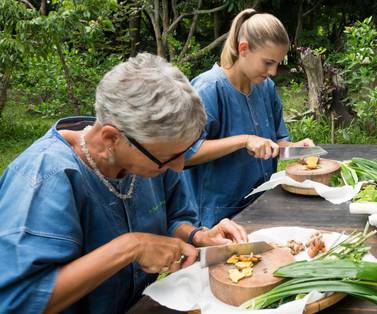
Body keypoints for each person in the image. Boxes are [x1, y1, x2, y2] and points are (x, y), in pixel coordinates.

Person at [0, 53, 248, 313]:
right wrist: (131, 247)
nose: (178, 167)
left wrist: (198, 235)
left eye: (183, 154)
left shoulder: (149, 150)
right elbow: (19, 300)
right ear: (110, 138)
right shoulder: (46, 178)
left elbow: (172, 218)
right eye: (168, 158)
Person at [183, 9, 314, 227]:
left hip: (262, 207)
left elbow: (274, 143)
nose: (273, 71)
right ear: (243, 49)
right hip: (215, 221)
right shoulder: (208, 89)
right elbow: (184, 155)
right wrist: (244, 140)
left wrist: (294, 147)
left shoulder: (266, 88)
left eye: (278, 63)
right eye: (268, 62)